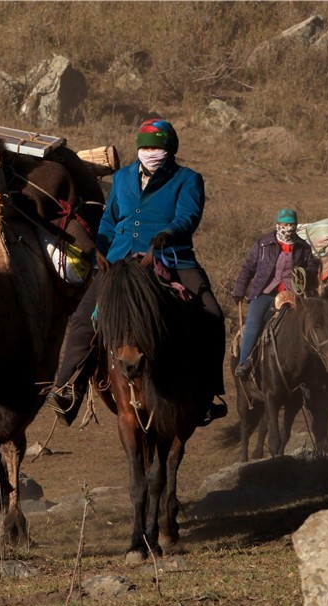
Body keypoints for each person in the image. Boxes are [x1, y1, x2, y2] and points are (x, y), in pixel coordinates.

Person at [46, 118, 227, 426]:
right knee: (82, 319)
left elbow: (189, 216)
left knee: (212, 315)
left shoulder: (188, 179)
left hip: (170, 257)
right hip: (119, 261)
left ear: (169, 150)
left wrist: (169, 233)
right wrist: (101, 246)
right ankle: (67, 388)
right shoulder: (123, 178)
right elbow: (110, 219)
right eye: (144, 147)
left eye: (156, 147)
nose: (149, 152)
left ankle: (206, 395)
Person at [232, 209, 319, 379]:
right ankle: (245, 362)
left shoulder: (303, 247)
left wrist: (304, 272)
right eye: (285, 224)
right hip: (265, 292)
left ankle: (312, 372)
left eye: (291, 224)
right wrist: (239, 289)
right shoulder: (263, 244)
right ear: (278, 224)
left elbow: (312, 268)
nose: (288, 228)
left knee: (309, 325)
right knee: (253, 322)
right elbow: (248, 267)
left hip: (293, 293)